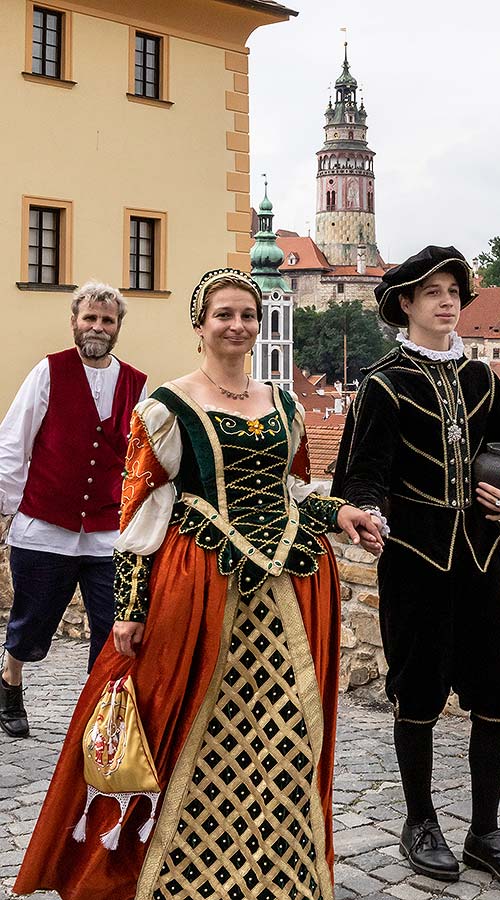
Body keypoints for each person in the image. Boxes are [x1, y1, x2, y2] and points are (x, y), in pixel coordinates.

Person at [14, 267, 382, 900]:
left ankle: (277, 868)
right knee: (190, 729)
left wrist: (339, 512)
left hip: (286, 598)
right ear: (200, 323)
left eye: (247, 315)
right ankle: (182, 873)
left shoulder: (284, 403)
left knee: (284, 733)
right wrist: (128, 609)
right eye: (223, 315)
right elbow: (137, 517)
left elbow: (289, 493)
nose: (236, 326)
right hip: (200, 588)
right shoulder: (167, 406)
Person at [332, 246, 500, 894]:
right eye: (432, 292)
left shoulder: (483, 382)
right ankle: (420, 822)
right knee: (418, 693)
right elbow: (358, 478)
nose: (446, 301)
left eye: (453, 290)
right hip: (416, 562)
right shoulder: (383, 384)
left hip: (483, 560)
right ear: (406, 304)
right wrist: (360, 513)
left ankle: (485, 830)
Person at [0, 282, 147, 738]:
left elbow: (143, 461)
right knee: (32, 620)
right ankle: (9, 680)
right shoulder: (49, 372)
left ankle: (99, 713)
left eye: (107, 320)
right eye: (90, 318)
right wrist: (4, 510)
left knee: (110, 630)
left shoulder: (137, 385)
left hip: (107, 534)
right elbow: (14, 444)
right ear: (74, 322)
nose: (98, 327)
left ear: (118, 327)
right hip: (44, 524)